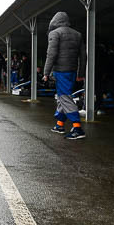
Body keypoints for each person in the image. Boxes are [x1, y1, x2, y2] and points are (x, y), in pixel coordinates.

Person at [43, 11, 86, 140]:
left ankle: (77, 127)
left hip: (61, 71)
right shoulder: (77, 34)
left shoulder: (54, 33)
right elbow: (83, 56)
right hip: (72, 71)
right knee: (63, 96)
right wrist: (81, 73)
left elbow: (51, 54)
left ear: (54, 21)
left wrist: (46, 72)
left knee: (65, 97)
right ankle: (60, 125)